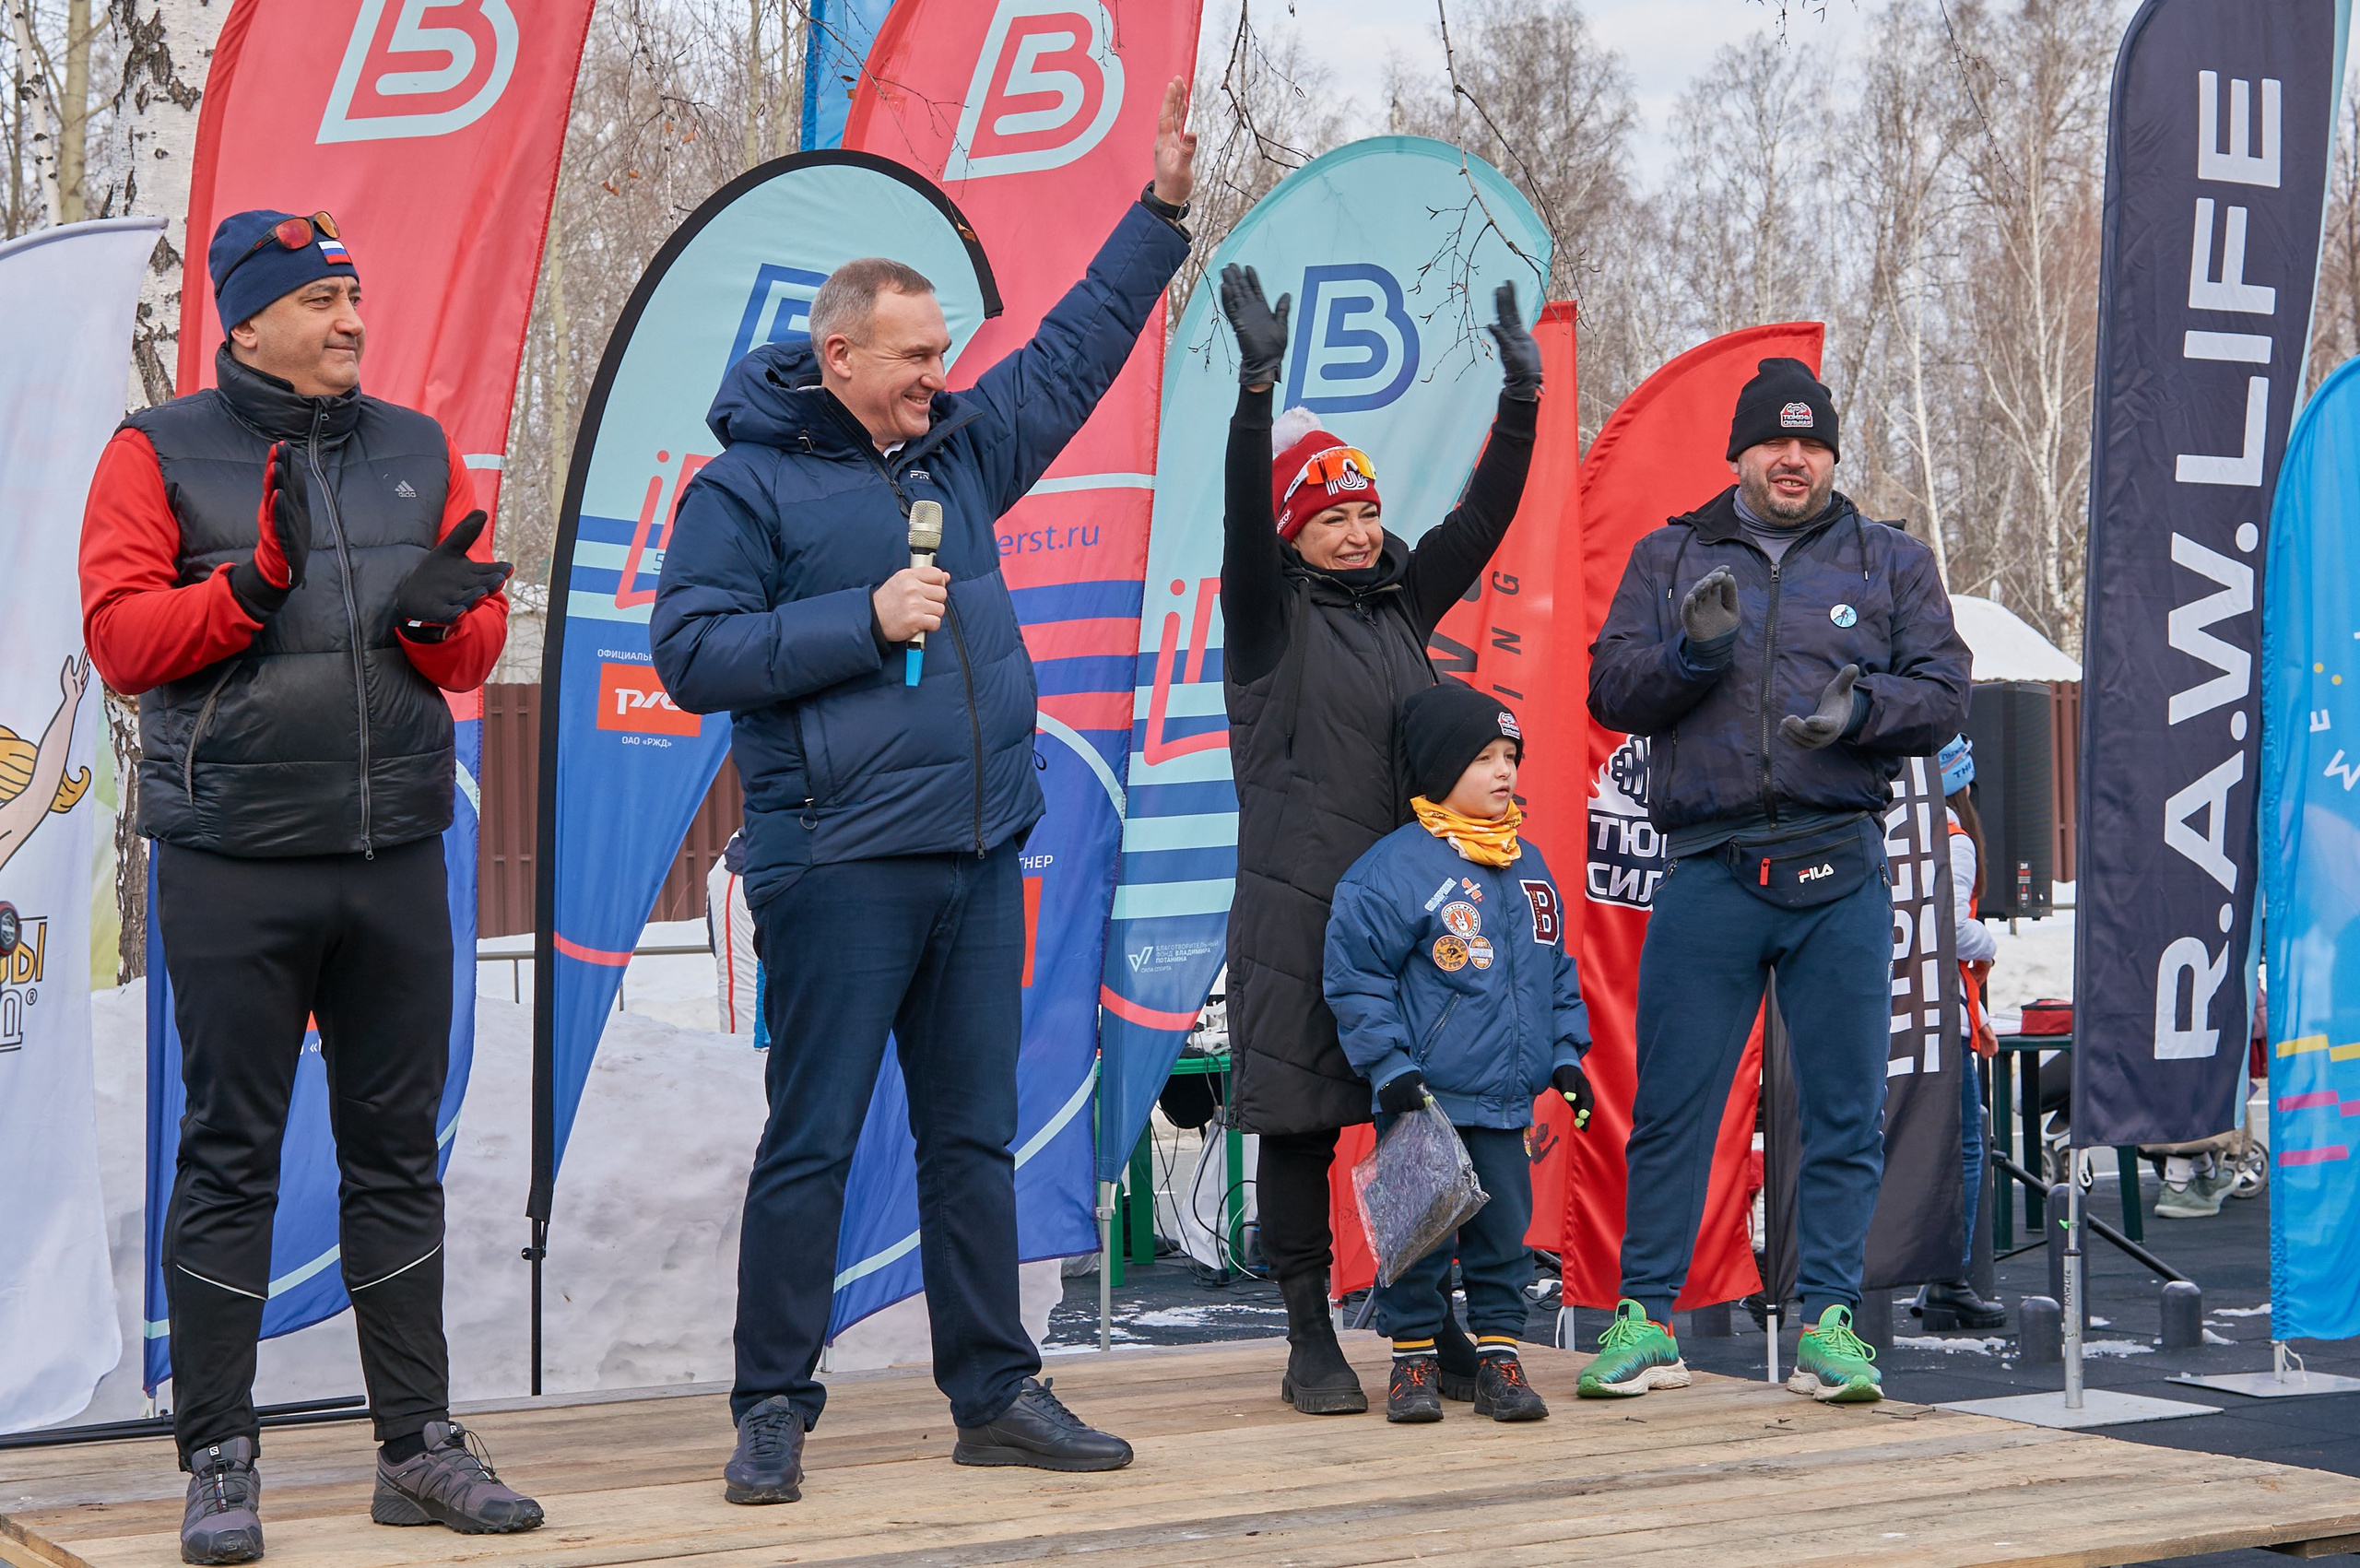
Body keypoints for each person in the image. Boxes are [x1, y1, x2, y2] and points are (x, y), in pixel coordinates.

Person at [649, 81, 1199, 1499]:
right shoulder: (746, 491)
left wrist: (1159, 220)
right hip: (835, 866)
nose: (935, 375)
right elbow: (692, 654)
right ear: (836, 355)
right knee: (814, 1142)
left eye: (941, 352)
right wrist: (864, 620)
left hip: (974, 860)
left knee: (971, 1139)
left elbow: (1069, 361)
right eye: (909, 355)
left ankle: (993, 1388)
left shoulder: (957, 453)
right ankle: (772, 1401)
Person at [77, 209, 531, 1563]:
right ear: (248, 320)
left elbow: (468, 652)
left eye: (354, 295)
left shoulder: (414, 448)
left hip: (394, 855)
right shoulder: (155, 451)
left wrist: (454, 619)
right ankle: (220, 1457)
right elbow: (119, 640)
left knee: (398, 1156)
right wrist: (255, 583)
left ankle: (418, 1447)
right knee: (232, 1154)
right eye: (323, 300)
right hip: (233, 859)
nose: (350, 320)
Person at [1581, 357, 1970, 1406]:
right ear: (1739, 453)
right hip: (1708, 869)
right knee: (1672, 1107)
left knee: (1843, 1108)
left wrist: (1863, 714)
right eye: (1772, 442)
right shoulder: (1671, 554)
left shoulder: (1888, 559)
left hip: (1837, 865)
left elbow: (1943, 694)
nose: (1792, 459)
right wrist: (1692, 655)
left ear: (1830, 456)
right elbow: (1612, 688)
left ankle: (1830, 1326)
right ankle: (1642, 1320)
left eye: (1811, 444)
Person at [1213, 265, 1557, 1418]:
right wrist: (1256, 389)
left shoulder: (1404, 603)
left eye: (1365, 511)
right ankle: (1309, 1335)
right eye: (1330, 517)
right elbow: (1237, 520)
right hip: (1299, 907)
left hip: (1415, 909)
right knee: (1306, 1125)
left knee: (1425, 1113)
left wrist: (1521, 402)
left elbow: (1480, 517)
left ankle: (1434, 1321)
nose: (1357, 532)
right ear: (1293, 533)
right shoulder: (1265, 623)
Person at [1324, 686, 1591, 1424]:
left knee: (1503, 1239)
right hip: (1424, 1101)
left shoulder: (1530, 865)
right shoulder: (1392, 869)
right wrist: (1391, 1066)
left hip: (1505, 1104)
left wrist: (1567, 1055)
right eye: (1483, 758)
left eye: (1511, 756)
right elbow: (1357, 980)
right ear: (1441, 767)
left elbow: (1554, 971)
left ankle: (1500, 1361)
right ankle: (1412, 1362)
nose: (1504, 771)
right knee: (1418, 1234)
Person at [1917, 736, 2006, 1330]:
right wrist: (1991, 943)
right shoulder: (1955, 839)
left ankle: (1929, 1274)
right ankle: (1949, 1278)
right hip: (1943, 1013)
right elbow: (1951, 929)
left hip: (1904, 1008)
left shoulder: (1899, 831)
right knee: (1967, 1148)